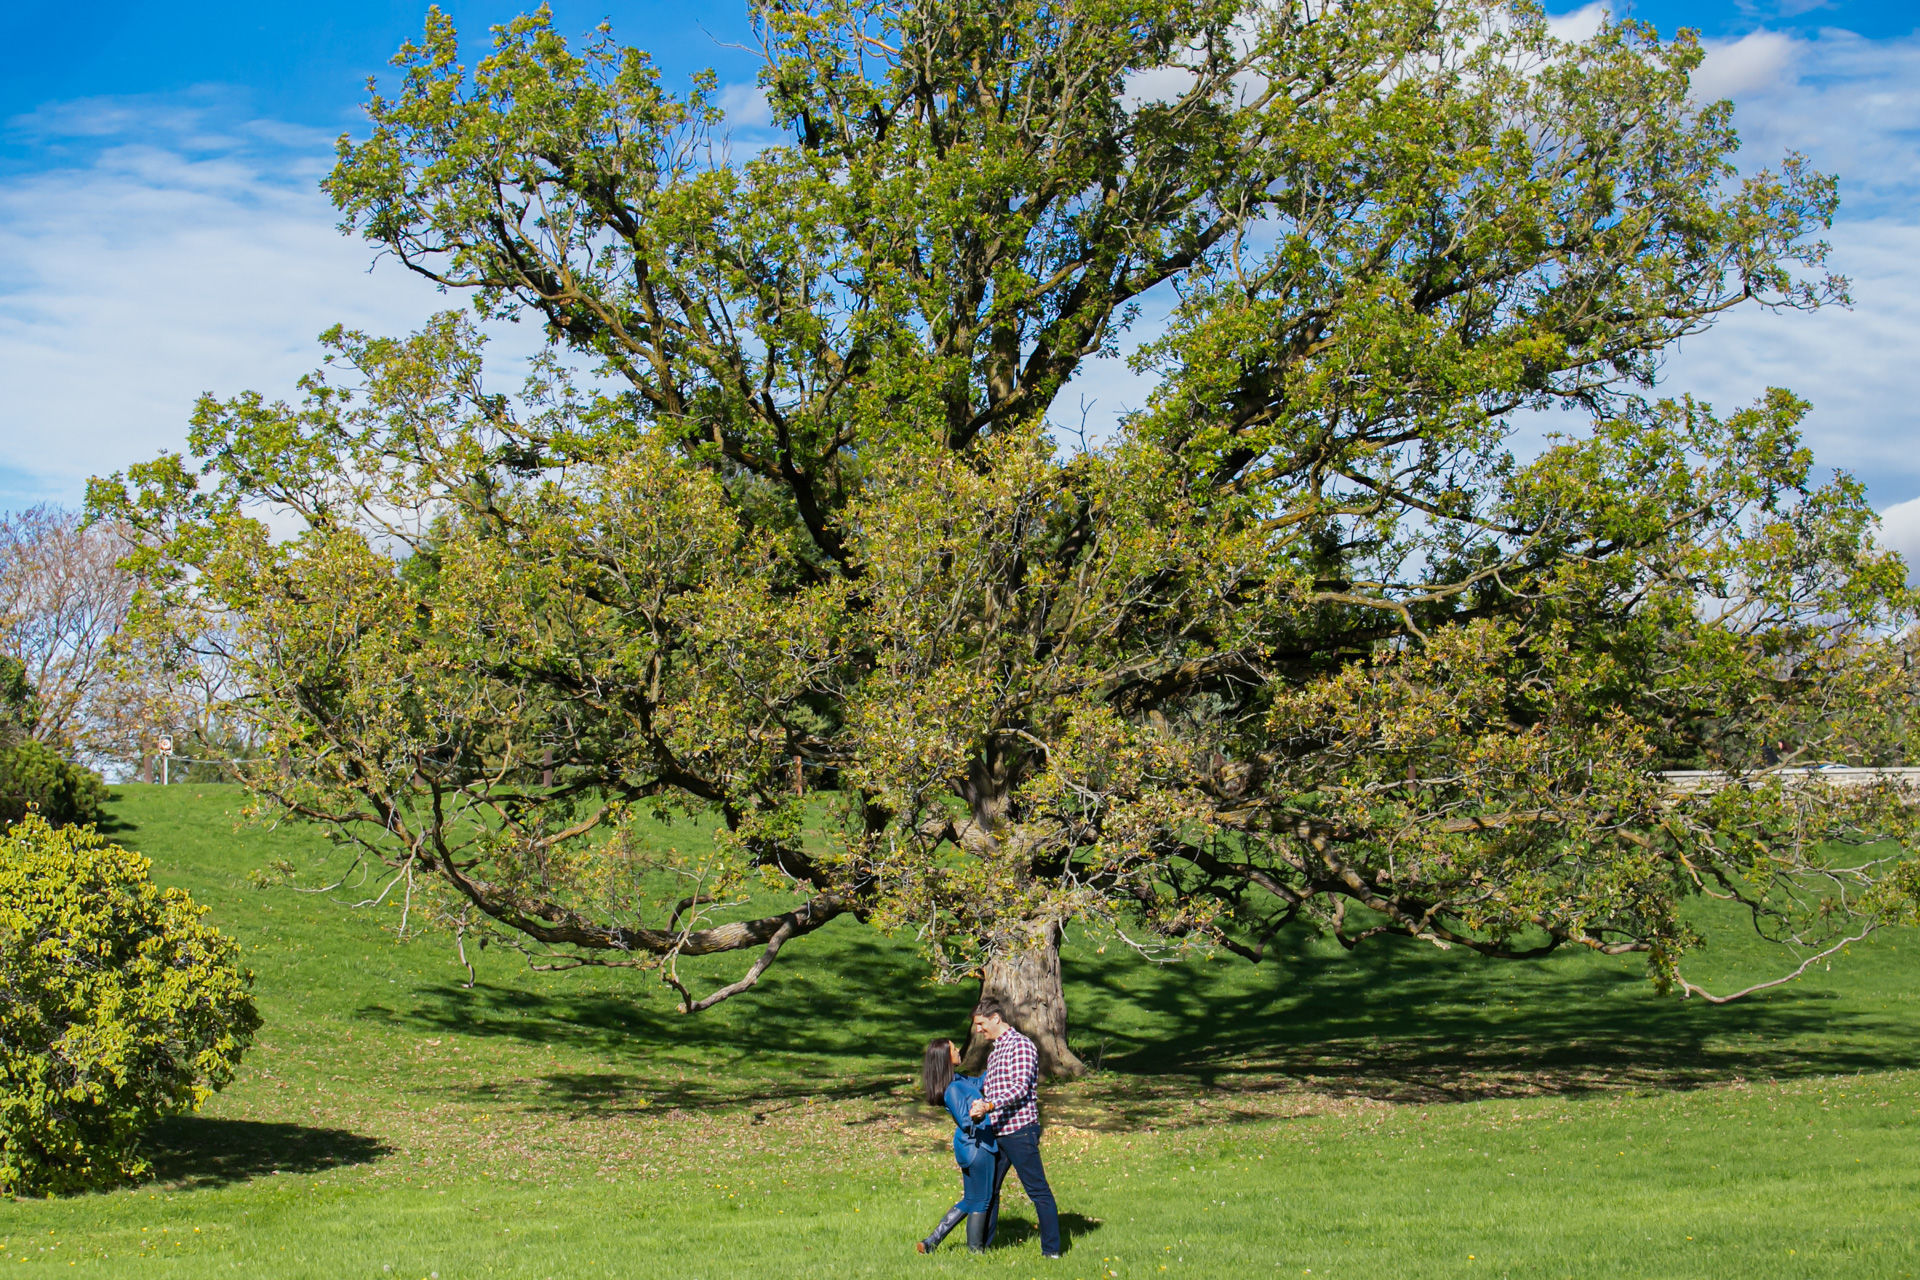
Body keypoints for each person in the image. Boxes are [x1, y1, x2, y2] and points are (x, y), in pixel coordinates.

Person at [967, 996, 1063, 1258]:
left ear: (996, 1018)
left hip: (1020, 1131)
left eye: (981, 1023)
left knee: (1037, 1191)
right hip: (997, 1132)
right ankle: (982, 1248)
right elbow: (991, 1089)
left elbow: (1020, 1089)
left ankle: (1052, 1251)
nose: (978, 1030)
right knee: (989, 1191)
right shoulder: (997, 1049)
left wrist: (989, 1106)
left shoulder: (1020, 1045)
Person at [917, 1038, 998, 1253]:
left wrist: (997, 1061)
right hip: (978, 1147)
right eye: (953, 1049)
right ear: (945, 1058)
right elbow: (965, 1120)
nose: (958, 1050)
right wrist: (980, 1113)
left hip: (968, 1147)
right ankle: (976, 1251)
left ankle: (931, 1242)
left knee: (971, 1199)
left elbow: (980, 1083)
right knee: (982, 1201)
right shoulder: (952, 1088)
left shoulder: (957, 1080)